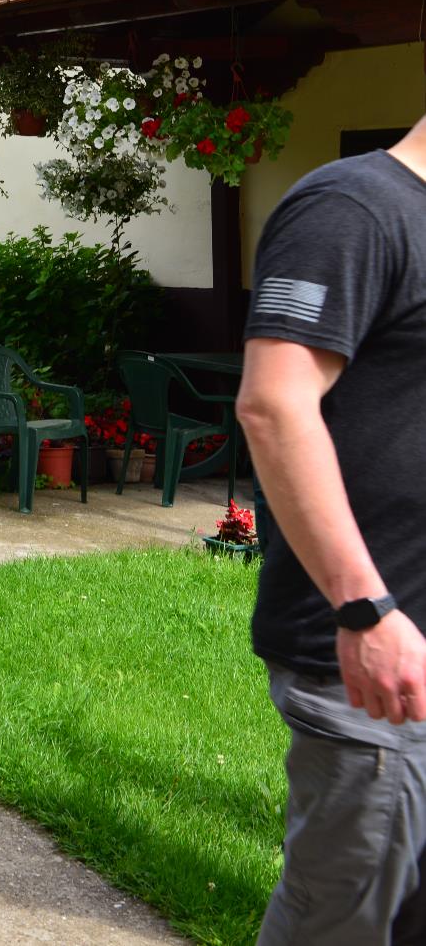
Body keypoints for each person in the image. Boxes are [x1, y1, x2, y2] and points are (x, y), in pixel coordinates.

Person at [237, 115, 426, 946]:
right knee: (342, 924)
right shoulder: (352, 207)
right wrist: (364, 609)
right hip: (379, 661)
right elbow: (273, 405)